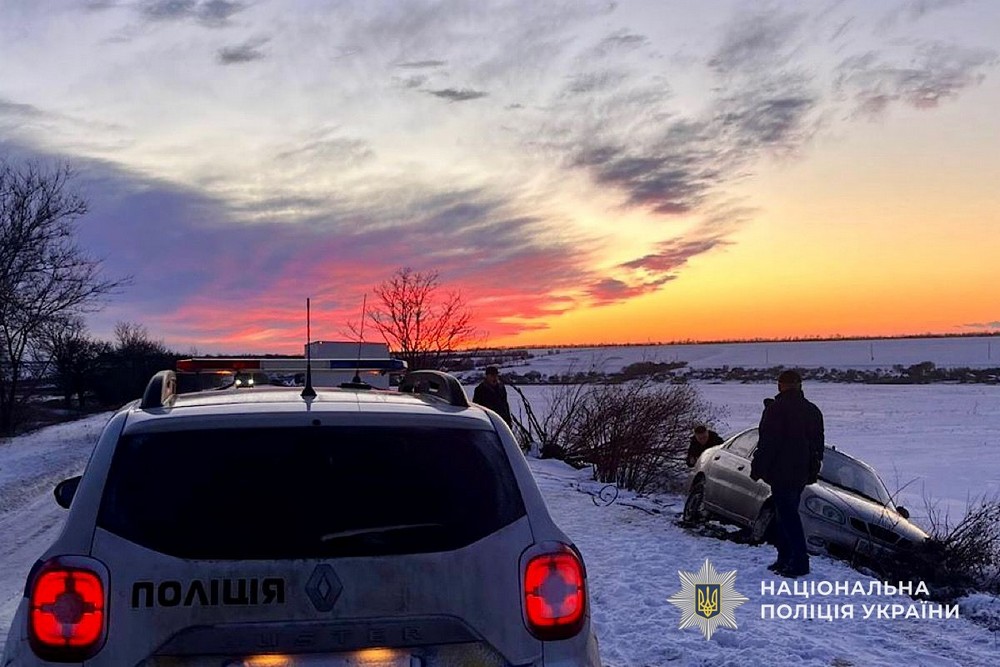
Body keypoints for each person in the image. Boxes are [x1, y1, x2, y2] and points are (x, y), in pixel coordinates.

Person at [750, 369, 824, 578]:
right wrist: (813, 466)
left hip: (782, 471)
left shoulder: (776, 409)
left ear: (780, 385)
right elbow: (819, 444)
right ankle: (785, 558)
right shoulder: (812, 410)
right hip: (801, 471)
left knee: (788, 515)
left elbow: (768, 442)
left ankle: (799, 561)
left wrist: (758, 468)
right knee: (785, 514)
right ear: (799, 385)